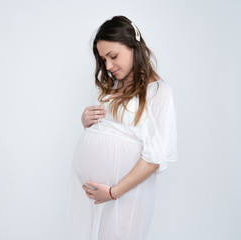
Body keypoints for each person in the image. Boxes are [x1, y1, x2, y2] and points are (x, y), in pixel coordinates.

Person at [63, 16, 178, 240]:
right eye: (103, 59)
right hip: (95, 195)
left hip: (125, 194)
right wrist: (86, 121)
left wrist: (114, 193)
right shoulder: (112, 86)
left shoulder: (160, 93)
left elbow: (155, 157)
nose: (108, 66)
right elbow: (111, 131)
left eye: (113, 56)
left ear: (134, 46)